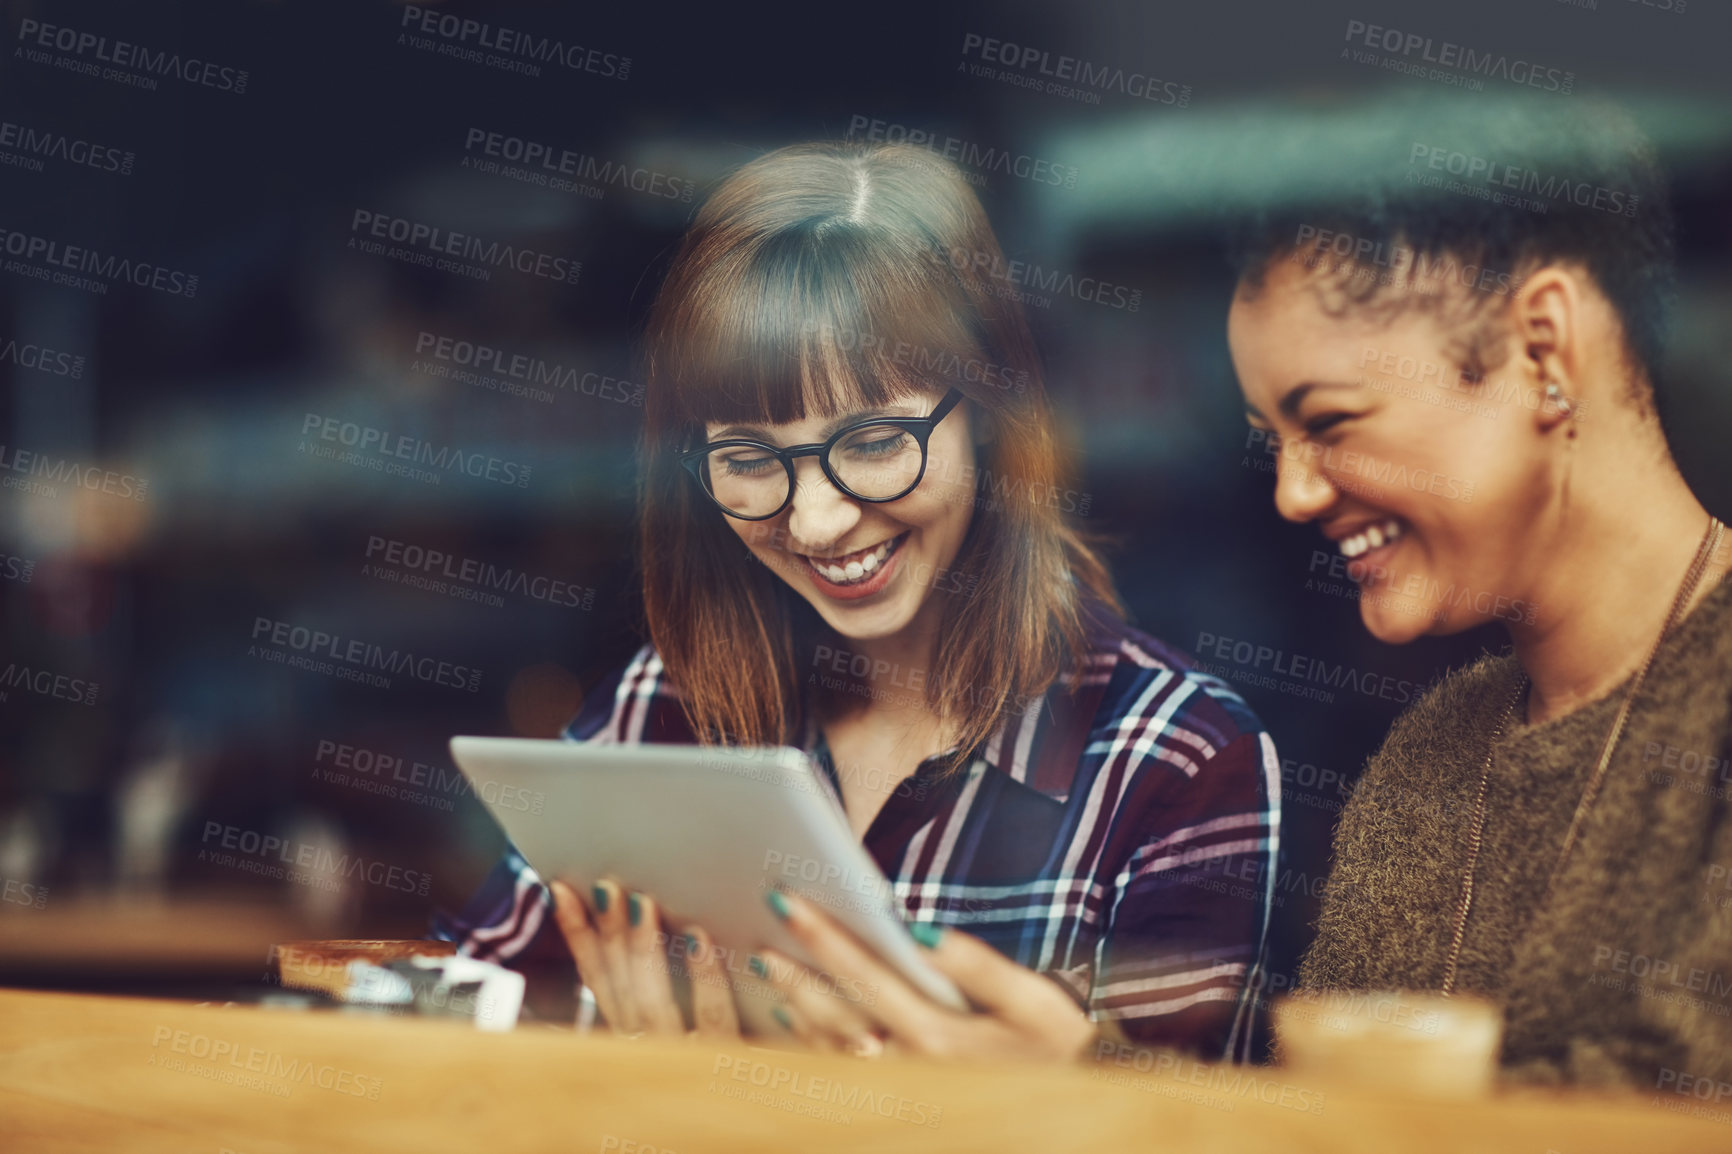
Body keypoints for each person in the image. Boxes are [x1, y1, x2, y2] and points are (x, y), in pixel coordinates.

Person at [436, 140, 1281, 1063]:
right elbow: (442, 1037)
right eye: (752, 461)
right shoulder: (661, 709)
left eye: (876, 441)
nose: (819, 520)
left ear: (995, 416)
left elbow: (1194, 1127)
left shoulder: (1180, 761)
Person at [1225, 98, 1732, 1087]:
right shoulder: (1427, 754)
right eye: (1269, 442)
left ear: (1541, 348)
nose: (1292, 492)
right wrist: (1070, 1063)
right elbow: (1316, 1118)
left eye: (1327, 419)